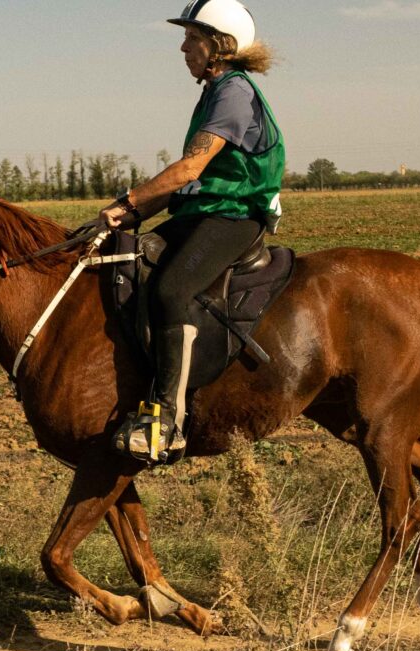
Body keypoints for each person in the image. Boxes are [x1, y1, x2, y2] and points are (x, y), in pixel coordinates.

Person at [102, 0, 285, 463]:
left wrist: (131, 201)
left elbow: (190, 168)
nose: (183, 47)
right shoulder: (214, 91)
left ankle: (167, 420)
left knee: (172, 289)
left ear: (219, 47)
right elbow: (195, 181)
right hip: (204, 211)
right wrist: (129, 217)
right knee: (125, 258)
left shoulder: (234, 92)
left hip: (235, 217)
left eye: (192, 38)